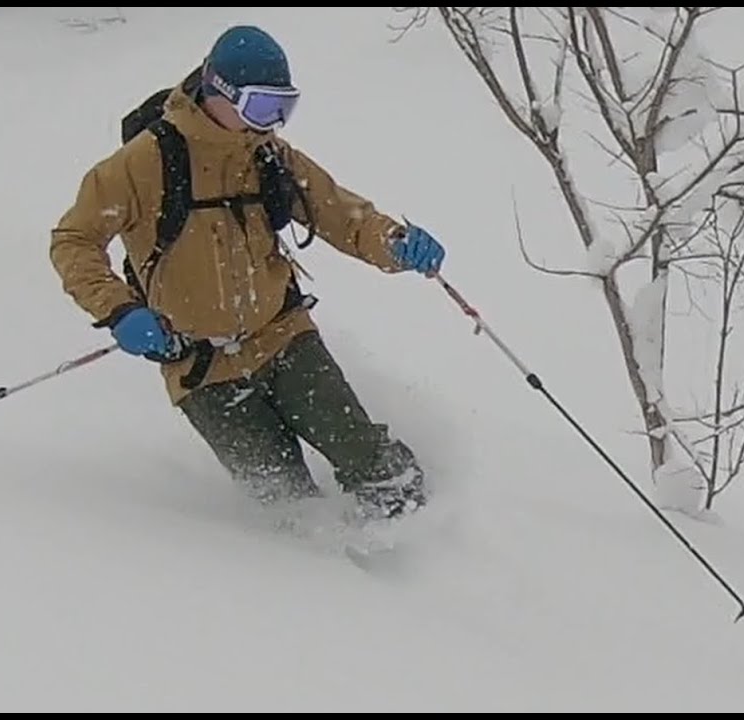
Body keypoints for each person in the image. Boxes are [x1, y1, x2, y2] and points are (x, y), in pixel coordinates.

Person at [48, 24, 446, 522]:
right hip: (201, 367)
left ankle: (430, 548)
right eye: (263, 107)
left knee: (366, 455)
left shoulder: (267, 156)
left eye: (285, 107)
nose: (273, 123)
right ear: (221, 92)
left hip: (283, 336)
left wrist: (395, 243)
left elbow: (341, 214)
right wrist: (119, 310)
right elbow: (74, 241)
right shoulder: (142, 164)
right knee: (284, 498)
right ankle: (332, 584)